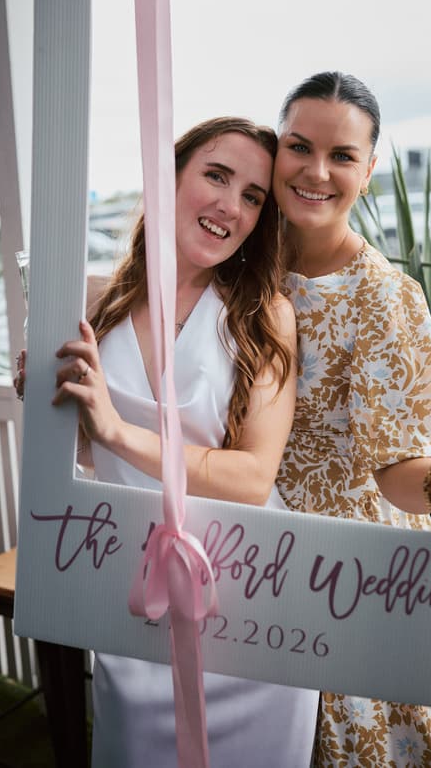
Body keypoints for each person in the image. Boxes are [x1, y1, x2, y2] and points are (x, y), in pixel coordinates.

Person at [49, 117, 319, 768]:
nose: (230, 206)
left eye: (252, 195)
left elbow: (252, 477)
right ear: (166, 179)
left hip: (249, 607)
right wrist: (51, 405)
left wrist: (116, 428)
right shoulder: (99, 304)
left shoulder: (264, 316)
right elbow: (94, 453)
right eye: (216, 176)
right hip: (133, 595)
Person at [272, 71, 431, 767]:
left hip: (353, 577)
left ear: (369, 172)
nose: (317, 171)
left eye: (342, 155)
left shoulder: (385, 297)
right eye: (299, 146)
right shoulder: (241, 265)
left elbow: (399, 471)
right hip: (250, 554)